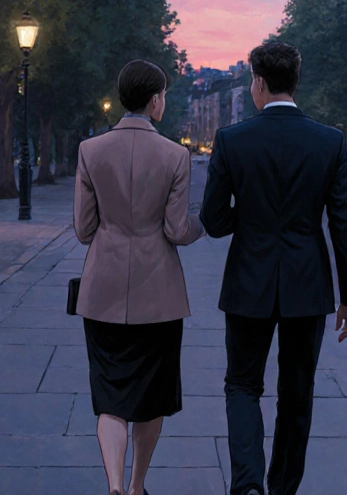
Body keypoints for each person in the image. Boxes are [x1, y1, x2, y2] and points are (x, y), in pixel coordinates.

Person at [200, 41, 347, 495]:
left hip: (248, 280)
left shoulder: (232, 141)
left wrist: (249, 218)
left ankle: (248, 484)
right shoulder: (329, 141)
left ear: (257, 82)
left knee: (242, 385)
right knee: (297, 394)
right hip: (307, 285)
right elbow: (344, 226)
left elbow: (213, 221)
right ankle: (282, 488)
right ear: (296, 81)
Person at [74, 59, 204, 495]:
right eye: (164, 95)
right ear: (154, 101)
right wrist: (205, 222)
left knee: (109, 394)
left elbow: (82, 229)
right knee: (152, 396)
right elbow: (176, 231)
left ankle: (111, 485)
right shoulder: (175, 155)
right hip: (159, 295)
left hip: (102, 291)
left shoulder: (90, 151)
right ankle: (136, 486)